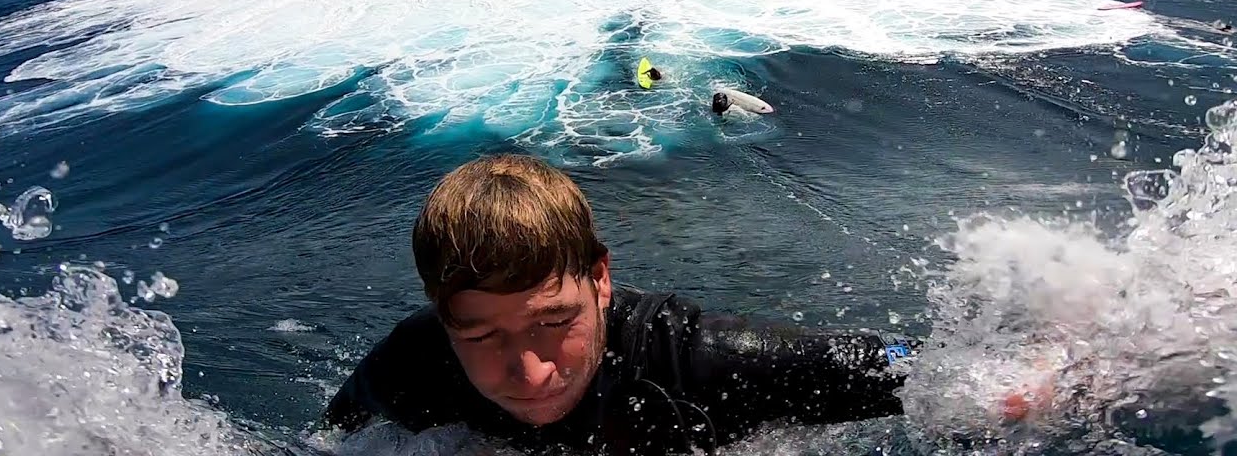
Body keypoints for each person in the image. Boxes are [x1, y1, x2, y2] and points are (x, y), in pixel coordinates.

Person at [319, 155, 966, 454]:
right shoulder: (411, 367)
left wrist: (1002, 381)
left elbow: (904, 363)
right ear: (443, 316)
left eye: (555, 322)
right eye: (483, 337)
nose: (532, 371)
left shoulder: (693, 361)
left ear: (600, 280)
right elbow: (328, 439)